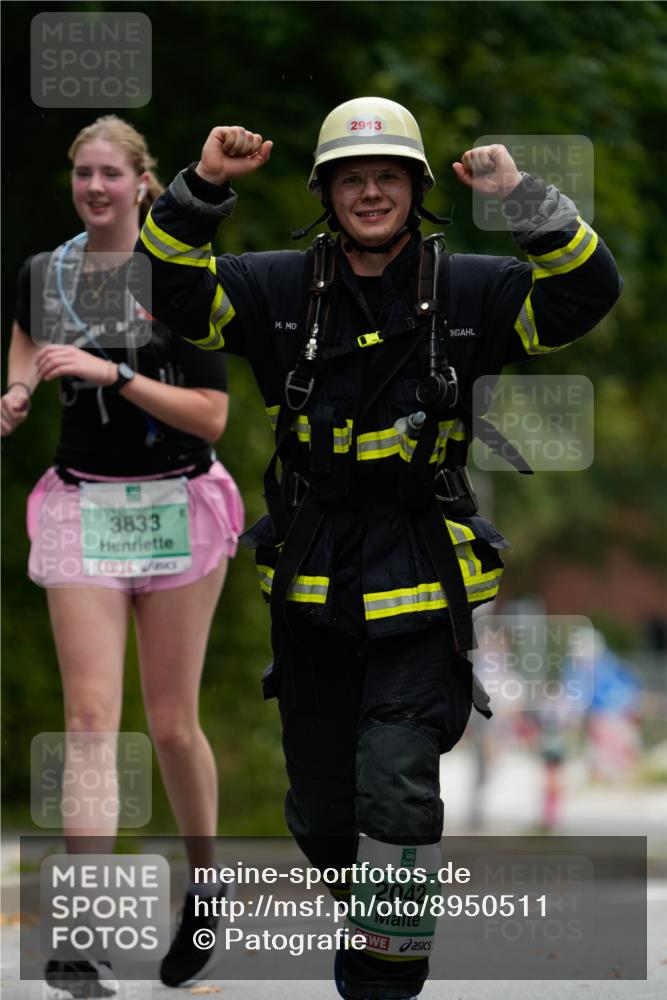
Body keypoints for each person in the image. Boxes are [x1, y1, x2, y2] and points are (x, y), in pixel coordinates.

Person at [135, 97, 622, 1000]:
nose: (369, 193)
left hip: (420, 574)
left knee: (395, 786)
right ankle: (373, 911)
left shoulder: (472, 290)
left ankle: (383, 976)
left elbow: (585, 293)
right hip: (313, 576)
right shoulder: (278, 287)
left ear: (416, 190)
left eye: (386, 177)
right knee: (323, 810)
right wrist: (201, 189)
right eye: (352, 179)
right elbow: (164, 290)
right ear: (326, 191)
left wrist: (521, 199)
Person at [1, 116, 244, 998]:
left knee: (172, 724)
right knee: (92, 720)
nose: (96, 188)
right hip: (83, 507)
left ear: (144, 183)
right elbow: (29, 338)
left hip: (180, 505)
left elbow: (214, 419)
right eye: (84, 175)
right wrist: (21, 388)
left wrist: (113, 376)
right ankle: (80, 935)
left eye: (112, 174)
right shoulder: (49, 272)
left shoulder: (180, 278)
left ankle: (207, 884)